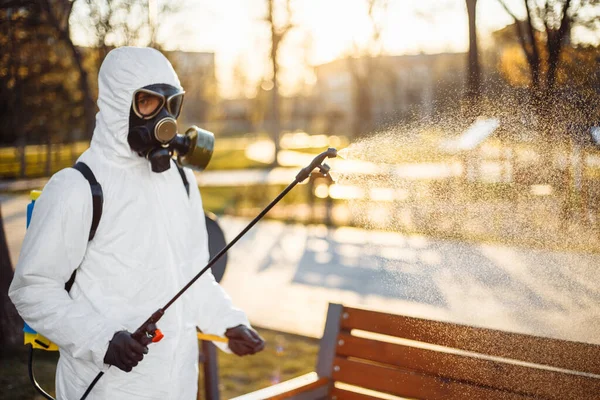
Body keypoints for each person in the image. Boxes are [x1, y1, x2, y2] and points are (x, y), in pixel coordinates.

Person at [9, 46, 265, 400]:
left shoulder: (181, 180)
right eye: (147, 102)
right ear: (118, 105)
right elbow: (32, 289)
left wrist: (228, 322)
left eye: (170, 104)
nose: (163, 117)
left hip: (176, 384)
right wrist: (101, 340)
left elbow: (193, 274)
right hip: (105, 386)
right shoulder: (78, 186)